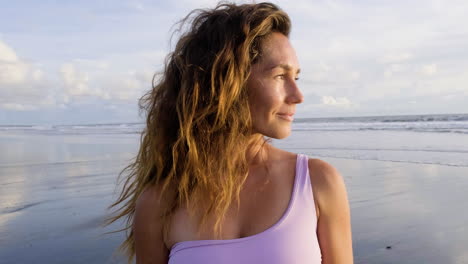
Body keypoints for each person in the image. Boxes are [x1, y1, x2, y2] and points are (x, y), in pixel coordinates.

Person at [107, 2, 353, 263]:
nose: (297, 95)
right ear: (226, 83)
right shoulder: (160, 203)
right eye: (280, 76)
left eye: (296, 77)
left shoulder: (316, 182)